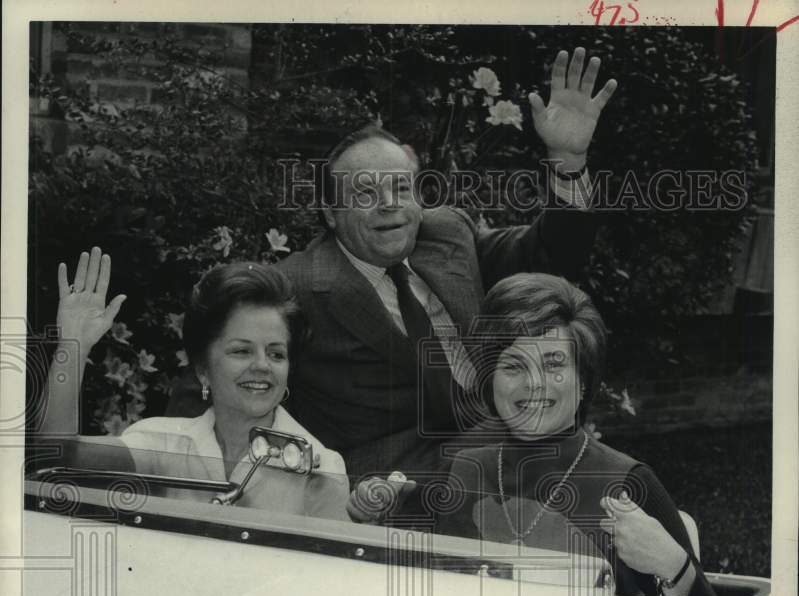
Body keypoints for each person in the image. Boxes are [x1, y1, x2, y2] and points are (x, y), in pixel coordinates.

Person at [168, 48, 618, 479]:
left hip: (512, 445)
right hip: (391, 487)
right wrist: (198, 482)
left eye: (402, 189)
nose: (391, 206)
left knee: (609, 488)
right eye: (366, 194)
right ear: (330, 213)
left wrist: (568, 162)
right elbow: (210, 377)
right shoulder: (297, 285)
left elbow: (552, 256)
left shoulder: (446, 234)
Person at [437, 273, 730, 596]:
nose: (535, 385)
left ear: (583, 378)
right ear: (488, 378)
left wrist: (672, 563)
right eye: (512, 365)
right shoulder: (464, 466)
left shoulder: (627, 481)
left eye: (553, 363)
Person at [38, 248, 347, 503]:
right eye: (241, 351)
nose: (263, 365)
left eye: (277, 353)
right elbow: (58, 459)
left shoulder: (320, 467)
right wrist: (73, 347)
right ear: (202, 369)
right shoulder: (163, 443)